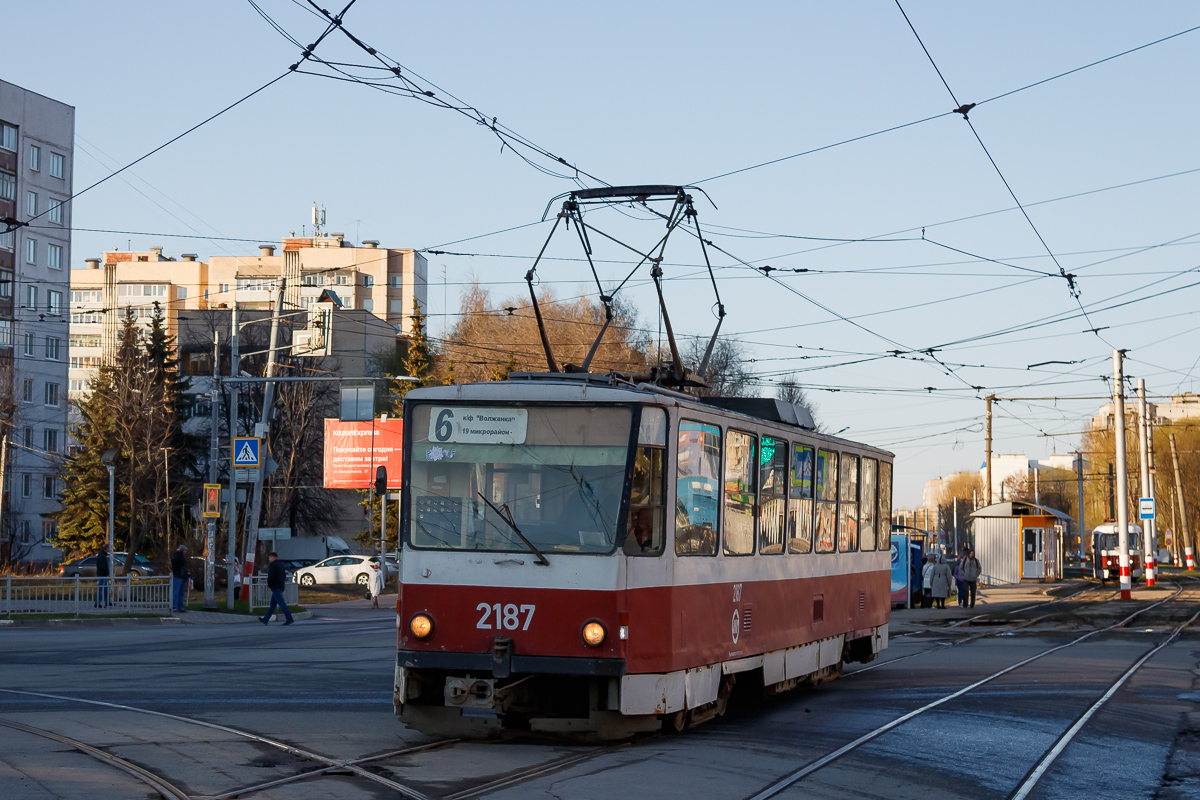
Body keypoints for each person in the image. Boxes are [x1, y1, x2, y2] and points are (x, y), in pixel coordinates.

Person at [260, 552, 294, 625]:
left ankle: (289, 618)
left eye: (270, 558)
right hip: (280, 585)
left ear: (273, 558)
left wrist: (270, 584)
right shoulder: (280, 565)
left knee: (281, 603)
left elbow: (271, 576)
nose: (269, 559)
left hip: (275, 586)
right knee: (273, 604)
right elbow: (284, 575)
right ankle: (266, 619)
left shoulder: (273, 565)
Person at [169, 545, 190, 613]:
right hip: (181, 576)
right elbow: (183, 567)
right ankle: (178, 607)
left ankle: (175, 607)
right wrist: (186, 574)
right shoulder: (181, 558)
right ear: (183, 550)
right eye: (185, 551)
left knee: (176, 592)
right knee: (179, 593)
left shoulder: (175, 556)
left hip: (178, 576)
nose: (185, 552)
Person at [94, 543, 110, 608]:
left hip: (103, 574)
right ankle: (97, 603)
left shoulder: (102, 555)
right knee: (101, 589)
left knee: (105, 589)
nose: (109, 549)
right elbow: (102, 566)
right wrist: (106, 572)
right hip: (102, 574)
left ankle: (107, 602)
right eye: (108, 548)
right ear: (106, 548)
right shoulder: (102, 556)